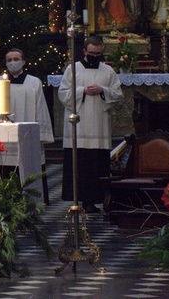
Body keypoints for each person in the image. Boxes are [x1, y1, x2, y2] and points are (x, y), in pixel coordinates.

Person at [58, 36, 123, 214]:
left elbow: (118, 94)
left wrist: (103, 90)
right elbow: (63, 94)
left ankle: (98, 199)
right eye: (92, 53)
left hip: (99, 127)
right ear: (85, 51)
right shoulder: (73, 69)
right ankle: (80, 199)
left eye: (98, 53)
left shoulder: (108, 71)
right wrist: (82, 91)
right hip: (78, 127)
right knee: (81, 165)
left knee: (97, 165)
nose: (95, 56)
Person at [0, 48, 54, 203]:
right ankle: (7, 204)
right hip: (6, 139)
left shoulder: (34, 82)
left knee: (28, 166)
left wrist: (41, 134)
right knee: (7, 168)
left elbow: (40, 108)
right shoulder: (0, 82)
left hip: (27, 136)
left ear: (24, 62)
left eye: (16, 59)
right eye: (9, 60)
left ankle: (32, 204)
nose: (13, 62)